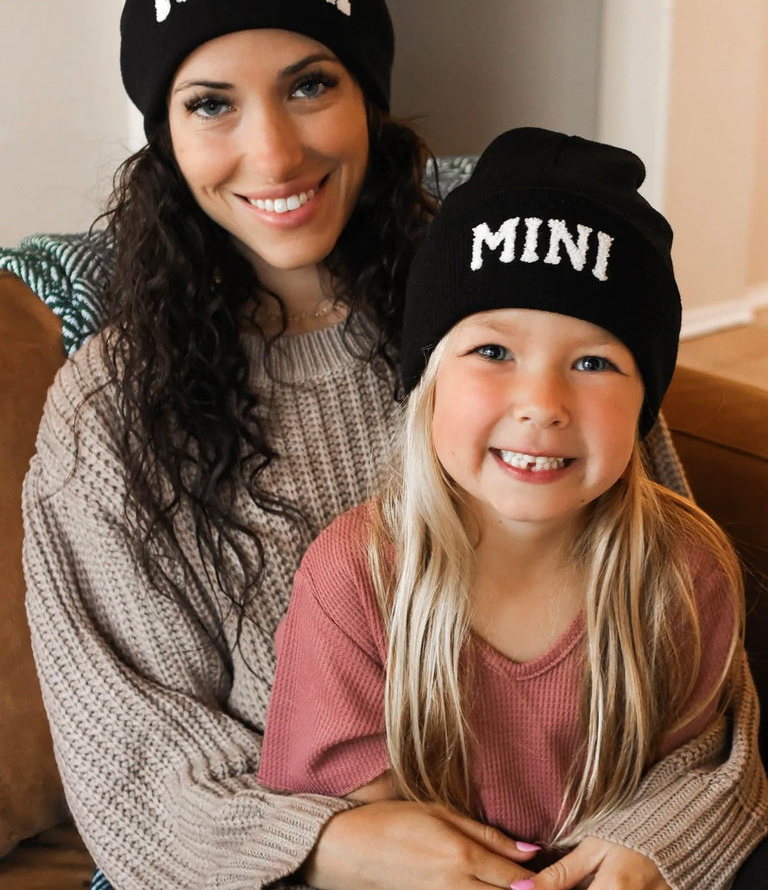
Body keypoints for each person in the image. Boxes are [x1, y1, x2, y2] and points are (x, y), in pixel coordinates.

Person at [19, 0, 759, 890]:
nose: (275, 151)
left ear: (366, 89)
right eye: (211, 103)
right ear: (164, 131)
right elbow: (131, 762)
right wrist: (328, 847)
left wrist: (648, 843)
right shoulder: (107, 415)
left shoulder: (510, 296)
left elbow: (676, 621)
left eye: (310, 84)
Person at [258, 128, 768, 890]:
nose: (541, 403)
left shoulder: (683, 573)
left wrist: (651, 849)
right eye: (494, 353)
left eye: (593, 362)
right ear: (429, 384)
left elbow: (695, 776)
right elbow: (356, 831)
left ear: (644, 405)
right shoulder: (355, 574)